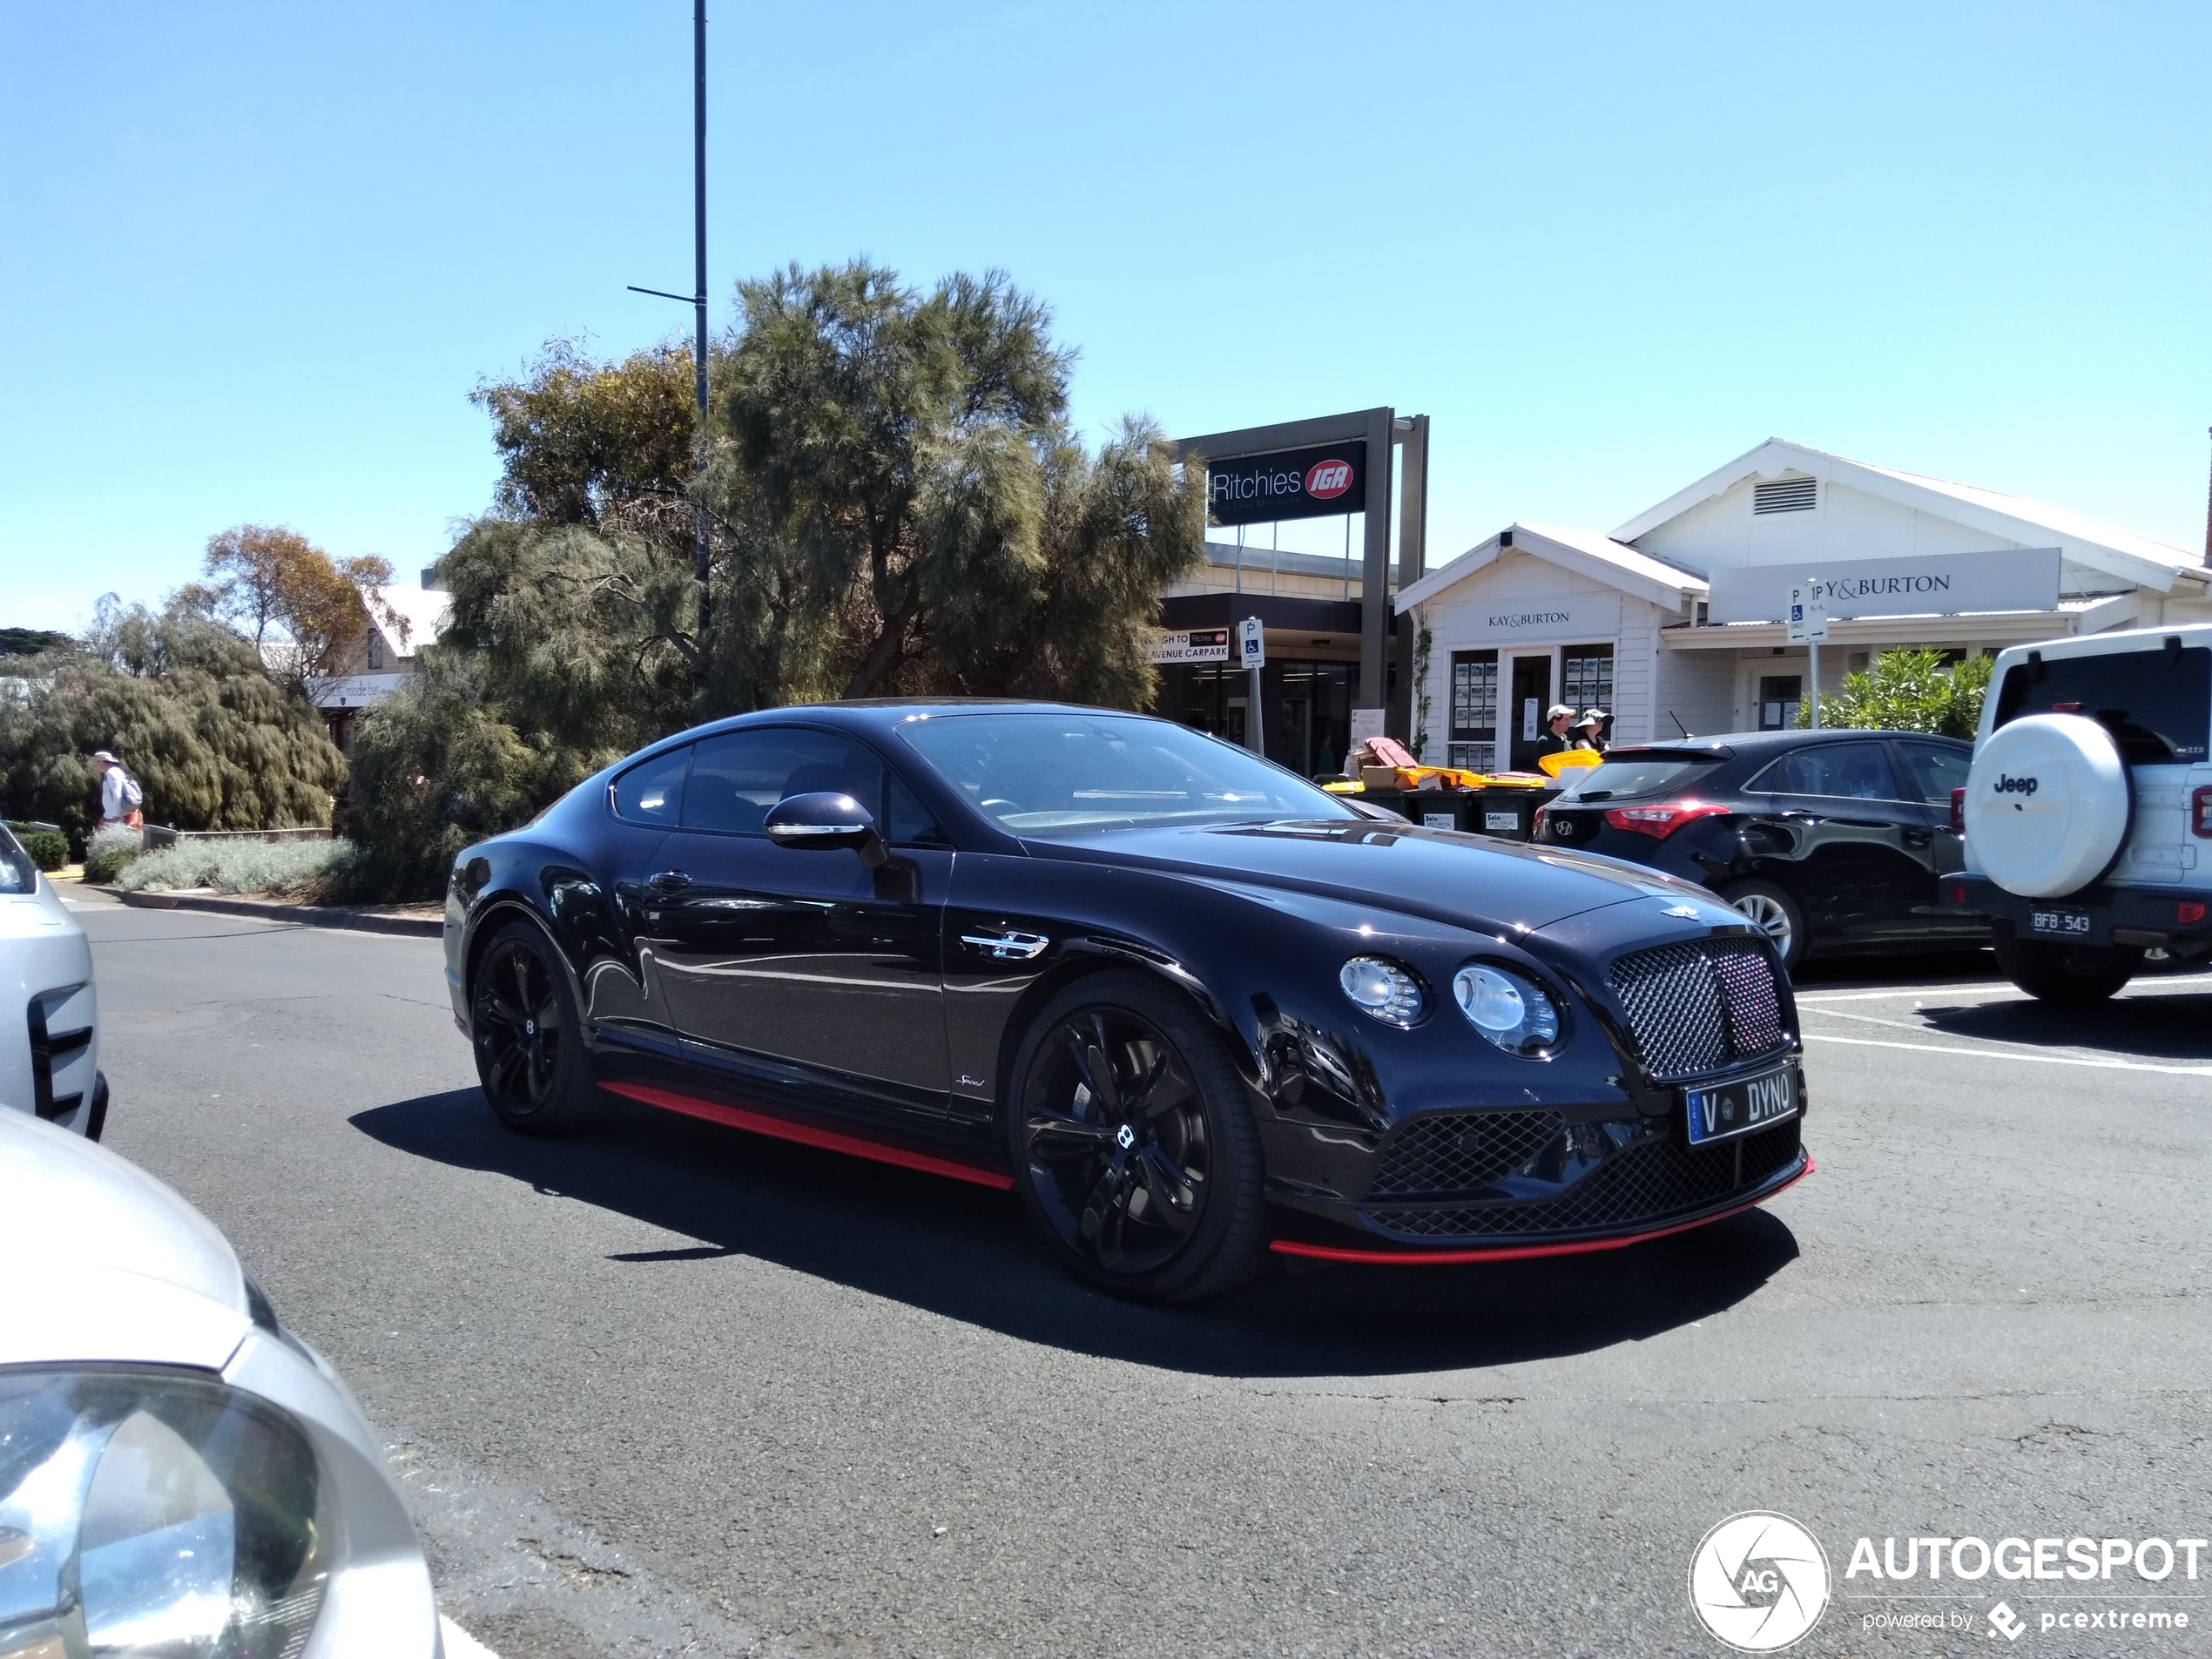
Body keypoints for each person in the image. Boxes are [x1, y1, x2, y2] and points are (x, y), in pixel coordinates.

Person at [91, 750, 144, 832]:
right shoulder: (111, 773)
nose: (94, 765)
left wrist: (116, 816)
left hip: (119, 815)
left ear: (101, 762)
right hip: (110, 814)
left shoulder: (112, 773)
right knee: (99, 839)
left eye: (95, 763)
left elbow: (117, 795)